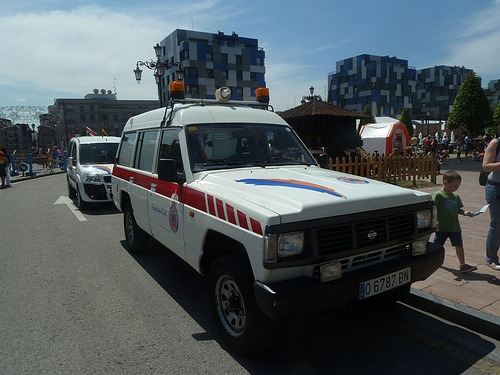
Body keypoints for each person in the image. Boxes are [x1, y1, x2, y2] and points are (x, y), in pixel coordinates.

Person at [433, 170, 477, 273]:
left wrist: (465, 212)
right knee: (437, 246)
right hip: (442, 227)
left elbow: (458, 209)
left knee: (459, 245)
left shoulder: (455, 196)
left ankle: (463, 264)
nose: (456, 188)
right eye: (455, 185)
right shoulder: (438, 195)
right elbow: (433, 209)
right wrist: (433, 223)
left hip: (455, 227)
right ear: (445, 183)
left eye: (458, 186)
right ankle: (433, 261)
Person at [482, 136, 500, 270]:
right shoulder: (496, 143)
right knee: (497, 223)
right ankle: (491, 258)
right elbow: (486, 166)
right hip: (496, 188)